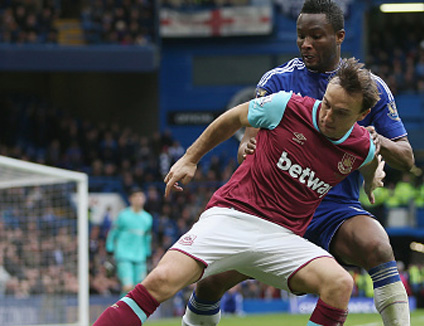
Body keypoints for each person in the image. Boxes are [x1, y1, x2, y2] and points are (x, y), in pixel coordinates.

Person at [93, 58, 386, 326]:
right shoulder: (286, 106)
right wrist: (190, 158)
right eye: (327, 104)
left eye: (341, 112)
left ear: (363, 114)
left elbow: (371, 162)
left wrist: (372, 180)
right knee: (161, 281)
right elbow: (233, 118)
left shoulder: (361, 146)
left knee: (340, 283)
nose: (327, 115)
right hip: (231, 217)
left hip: (283, 239)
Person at [182, 1, 414, 326]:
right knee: (211, 281)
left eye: (316, 36)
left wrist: (375, 140)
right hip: (275, 209)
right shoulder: (278, 81)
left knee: (377, 246)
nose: (306, 44)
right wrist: (249, 145)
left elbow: (406, 157)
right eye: (301, 36)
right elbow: (245, 147)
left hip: (334, 208)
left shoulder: (370, 90)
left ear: (339, 36)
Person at [106, 187, 153, 294]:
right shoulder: (123, 216)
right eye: (136, 196)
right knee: (128, 286)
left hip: (140, 257)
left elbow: (147, 237)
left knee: (139, 289)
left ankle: (130, 310)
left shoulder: (147, 218)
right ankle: (122, 310)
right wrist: (109, 249)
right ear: (130, 199)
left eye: (141, 196)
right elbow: (113, 233)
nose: (139, 199)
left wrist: (148, 253)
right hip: (124, 256)